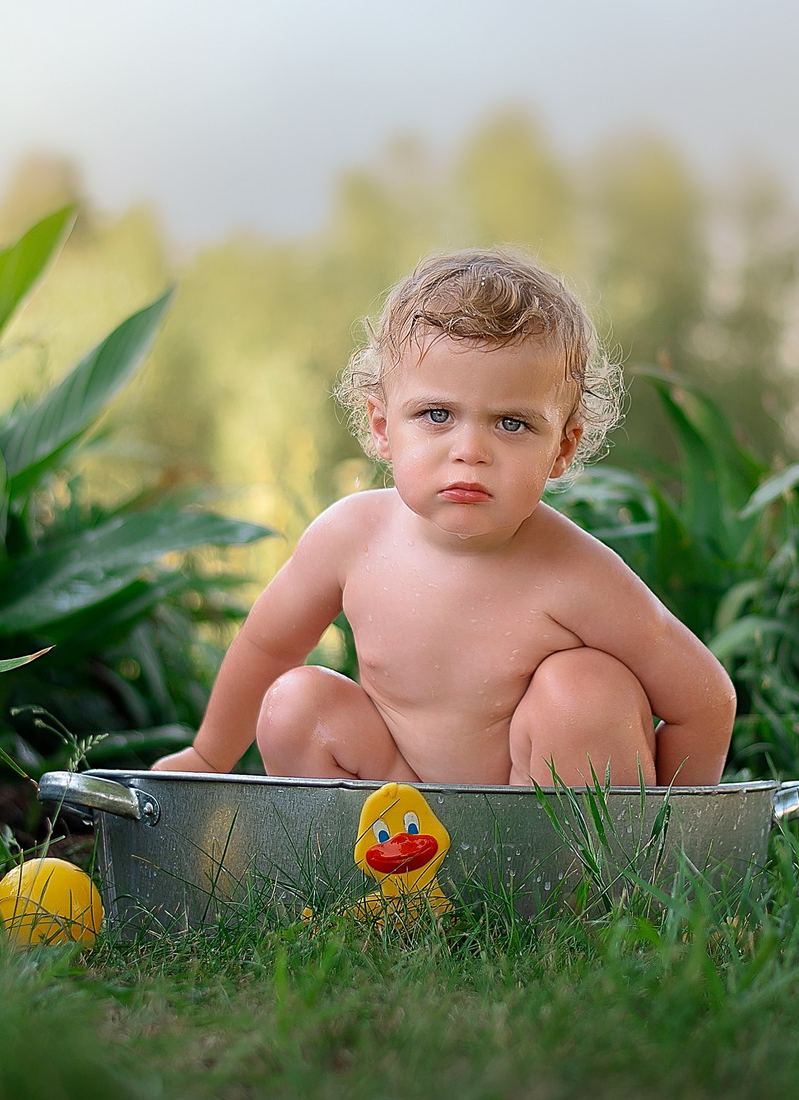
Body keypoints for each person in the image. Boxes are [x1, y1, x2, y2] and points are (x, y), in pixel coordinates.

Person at [152, 248, 737, 788]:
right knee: (295, 702)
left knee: (585, 691)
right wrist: (209, 757)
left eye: (512, 424)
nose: (470, 450)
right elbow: (267, 647)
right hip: (403, 812)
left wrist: (679, 833)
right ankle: (382, 884)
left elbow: (705, 700)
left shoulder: (576, 574)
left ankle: (588, 885)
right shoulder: (351, 539)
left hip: (540, 823)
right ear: (382, 426)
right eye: (436, 414)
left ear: (562, 448)